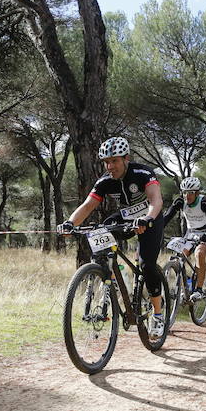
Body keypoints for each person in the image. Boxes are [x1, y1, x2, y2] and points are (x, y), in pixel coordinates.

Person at [57, 137, 166, 337]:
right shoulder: (106, 181)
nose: (110, 166)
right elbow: (88, 205)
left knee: (147, 265)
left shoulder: (143, 173)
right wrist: (70, 223)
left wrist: (147, 218)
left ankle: (158, 314)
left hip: (150, 217)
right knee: (100, 230)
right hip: (126, 218)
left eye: (114, 161)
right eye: (106, 162)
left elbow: (155, 200)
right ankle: (114, 274)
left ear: (126, 158)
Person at [162, 176, 206, 301]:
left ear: (197, 193)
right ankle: (188, 283)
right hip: (190, 233)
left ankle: (199, 289)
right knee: (179, 258)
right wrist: (157, 229)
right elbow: (167, 216)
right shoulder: (180, 201)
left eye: (190, 193)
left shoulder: (204, 202)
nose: (187, 196)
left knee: (199, 253)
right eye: (185, 192)